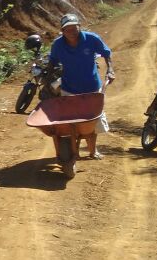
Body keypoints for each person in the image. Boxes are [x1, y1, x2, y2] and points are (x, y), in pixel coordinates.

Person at [48, 13, 114, 159]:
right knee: (70, 122)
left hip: (91, 87)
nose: (71, 32)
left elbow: (106, 53)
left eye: (74, 28)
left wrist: (110, 69)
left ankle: (92, 150)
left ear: (79, 26)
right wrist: (48, 80)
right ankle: (73, 151)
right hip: (69, 88)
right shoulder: (58, 44)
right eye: (67, 29)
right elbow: (52, 61)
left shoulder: (92, 39)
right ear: (62, 31)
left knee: (92, 121)